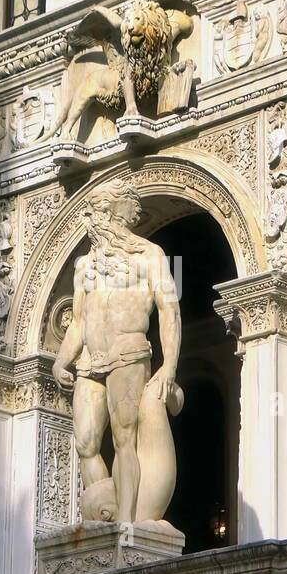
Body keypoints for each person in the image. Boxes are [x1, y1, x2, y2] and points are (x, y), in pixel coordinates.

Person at [52, 182, 183, 525]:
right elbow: (78, 321)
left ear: (109, 215)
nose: (90, 221)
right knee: (86, 443)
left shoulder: (150, 254)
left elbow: (169, 310)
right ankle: (103, 518)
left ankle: (126, 525)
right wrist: (61, 359)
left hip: (129, 353)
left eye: (95, 214)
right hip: (89, 362)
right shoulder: (85, 265)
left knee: (125, 440)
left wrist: (169, 365)